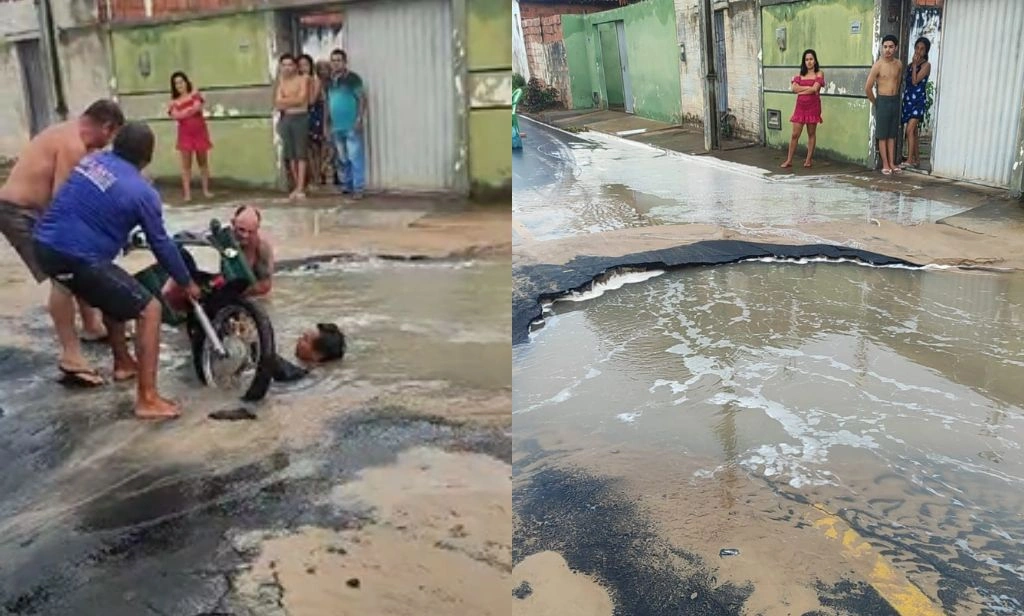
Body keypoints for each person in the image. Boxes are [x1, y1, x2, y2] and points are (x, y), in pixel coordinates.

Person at [32, 122, 202, 419]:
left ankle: (124, 363)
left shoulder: (92, 161)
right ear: (147, 157)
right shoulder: (143, 192)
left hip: (44, 247)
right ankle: (148, 398)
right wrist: (185, 281)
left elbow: (88, 201)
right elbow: (161, 243)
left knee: (115, 289)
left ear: (115, 144)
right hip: (77, 257)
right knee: (149, 309)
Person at [0, 99, 125, 386]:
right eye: (111, 137)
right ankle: (71, 355)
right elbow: (63, 201)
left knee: (76, 259)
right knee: (63, 274)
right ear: (106, 127)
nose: (106, 146)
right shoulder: (73, 146)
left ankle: (92, 326)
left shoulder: (68, 132)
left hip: (32, 210)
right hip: (17, 212)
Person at [162, 204, 274, 311]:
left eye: (251, 232)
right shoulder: (218, 239)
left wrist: (232, 295)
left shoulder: (262, 248)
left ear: (257, 228)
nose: (245, 235)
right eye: (241, 230)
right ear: (233, 223)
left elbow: (265, 286)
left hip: (246, 295)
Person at [325, 49, 368, 199]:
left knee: (355, 157)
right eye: (333, 60)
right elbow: (328, 103)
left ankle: (358, 188)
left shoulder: (353, 78)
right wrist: (327, 124)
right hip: (337, 126)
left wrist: (359, 119)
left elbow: (362, 99)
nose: (336, 63)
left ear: (344, 62)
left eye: (338, 60)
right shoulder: (330, 81)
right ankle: (347, 185)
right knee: (342, 158)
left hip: (351, 125)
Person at [168, 71, 214, 201]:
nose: (179, 85)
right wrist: (188, 111)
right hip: (185, 134)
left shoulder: (195, 94)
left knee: (203, 162)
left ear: (186, 82)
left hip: (200, 131)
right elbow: (175, 115)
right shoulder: (173, 102)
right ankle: (187, 194)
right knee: (186, 165)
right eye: (176, 83)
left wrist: (184, 111)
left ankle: (206, 190)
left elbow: (197, 107)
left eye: (181, 82)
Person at [274, 54, 311, 200]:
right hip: (287, 118)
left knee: (301, 154)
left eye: (290, 64)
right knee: (290, 155)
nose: (287, 68)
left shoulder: (303, 79)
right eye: (284, 65)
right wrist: (291, 101)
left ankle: (301, 187)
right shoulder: (282, 81)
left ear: (295, 66)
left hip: (300, 117)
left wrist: (286, 101)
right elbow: (277, 102)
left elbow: (302, 99)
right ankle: (296, 185)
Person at [865, 34, 903, 175]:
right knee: (882, 135)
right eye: (885, 47)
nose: (887, 50)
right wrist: (876, 102)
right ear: (882, 48)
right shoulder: (878, 66)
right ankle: (885, 164)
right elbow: (867, 87)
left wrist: (895, 95)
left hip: (894, 100)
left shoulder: (898, 64)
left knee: (892, 134)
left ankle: (892, 163)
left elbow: (898, 81)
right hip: (882, 100)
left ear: (896, 48)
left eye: (891, 47)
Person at [780, 49, 825, 169]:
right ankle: (789, 160)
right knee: (795, 134)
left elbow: (815, 89)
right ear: (804, 62)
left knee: (811, 133)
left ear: (815, 61)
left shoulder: (819, 73)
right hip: (800, 107)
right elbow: (793, 89)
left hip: (813, 106)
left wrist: (801, 89)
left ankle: (808, 160)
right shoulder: (799, 75)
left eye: (811, 59)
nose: (809, 62)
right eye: (806, 59)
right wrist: (808, 89)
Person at [298, 54, 329, 189]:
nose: (303, 68)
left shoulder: (315, 80)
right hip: (303, 115)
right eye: (300, 65)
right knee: (308, 148)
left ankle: (319, 176)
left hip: (315, 114)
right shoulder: (298, 80)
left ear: (310, 66)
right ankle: (314, 177)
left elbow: (311, 100)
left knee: (317, 148)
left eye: (305, 64)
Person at [901, 37, 931, 169]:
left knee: (910, 129)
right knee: (913, 133)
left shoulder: (926, 65)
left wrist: (914, 66)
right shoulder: (909, 65)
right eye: (917, 48)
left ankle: (909, 160)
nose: (919, 51)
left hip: (918, 101)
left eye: (922, 49)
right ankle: (917, 160)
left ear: (926, 51)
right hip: (908, 100)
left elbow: (915, 81)